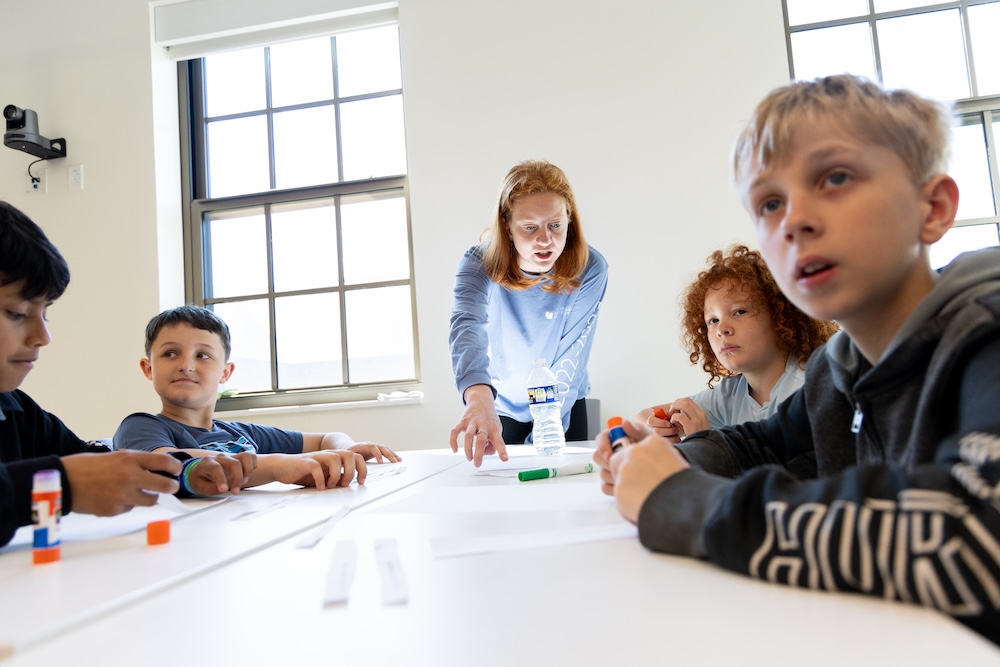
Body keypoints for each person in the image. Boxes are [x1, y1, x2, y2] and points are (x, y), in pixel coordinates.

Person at [594, 74, 1000, 644]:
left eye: (835, 178)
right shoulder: (840, 368)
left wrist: (684, 502)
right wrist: (664, 457)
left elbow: (974, 535)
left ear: (931, 207)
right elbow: (759, 443)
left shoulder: (986, 331)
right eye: (769, 203)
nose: (793, 221)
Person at [0, 201, 253, 548]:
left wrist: (189, 475)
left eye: (45, 314)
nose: (42, 337)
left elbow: (99, 466)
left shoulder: (15, 411)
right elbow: (69, 475)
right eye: (16, 313)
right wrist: (66, 483)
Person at [115, 306, 400, 491]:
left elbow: (327, 437)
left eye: (202, 355)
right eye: (170, 353)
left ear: (225, 372)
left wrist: (346, 447)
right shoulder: (140, 426)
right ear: (148, 368)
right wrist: (277, 466)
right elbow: (167, 464)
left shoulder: (237, 433)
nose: (186, 365)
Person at [449, 160, 608, 466]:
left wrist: (545, 432)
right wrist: (479, 398)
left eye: (555, 225)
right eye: (530, 227)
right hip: (501, 405)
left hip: (562, 406)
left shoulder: (591, 268)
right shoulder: (477, 263)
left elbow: (570, 358)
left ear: (569, 220)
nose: (545, 239)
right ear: (507, 227)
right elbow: (466, 326)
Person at [638, 244, 838, 441]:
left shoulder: (812, 385)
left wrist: (703, 442)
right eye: (713, 320)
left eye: (740, 312)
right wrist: (655, 428)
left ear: (781, 317)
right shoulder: (729, 395)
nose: (722, 329)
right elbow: (643, 417)